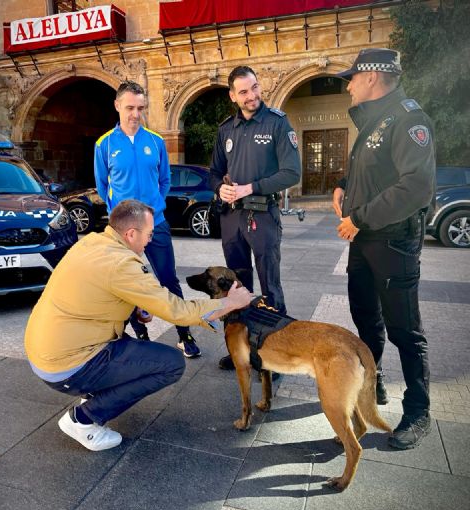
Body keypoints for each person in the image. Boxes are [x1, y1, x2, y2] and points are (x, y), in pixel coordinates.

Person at [24, 200, 252, 451]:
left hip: (45, 352)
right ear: (131, 233)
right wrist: (230, 303)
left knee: (134, 353)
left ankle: (93, 392)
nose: (150, 241)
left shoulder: (92, 242)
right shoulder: (123, 264)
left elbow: (98, 291)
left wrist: (135, 307)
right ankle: (83, 420)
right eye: (149, 234)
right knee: (170, 364)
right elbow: (176, 310)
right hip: (67, 365)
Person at [332, 48, 435, 450]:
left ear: (372, 77)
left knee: (405, 331)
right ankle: (371, 388)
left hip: (393, 243)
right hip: (364, 243)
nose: (350, 85)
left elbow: (415, 187)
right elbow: (372, 171)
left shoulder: (409, 120)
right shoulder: (376, 120)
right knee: (367, 324)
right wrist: (343, 183)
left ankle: (418, 411)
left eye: (352, 78)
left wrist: (359, 218)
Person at [93, 81, 202, 358]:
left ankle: (184, 334)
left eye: (140, 108)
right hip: (122, 231)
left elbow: (164, 180)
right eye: (129, 107)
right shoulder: (104, 145)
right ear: (117, 106)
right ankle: (141, 336)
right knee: (126, 283)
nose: (135, 114)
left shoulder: (155, 141)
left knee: (168, 280)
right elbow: (103, 186)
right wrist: (122, 217)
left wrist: (152, 212)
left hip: (156, 225)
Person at [209, 65, 301, 370]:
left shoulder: (277, 122)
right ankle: (241, 350)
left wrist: (252, 187)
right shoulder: (225, 129)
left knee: (270, 286)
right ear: (233, 96)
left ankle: (277, 356)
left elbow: (292, 172)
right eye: (244, 91)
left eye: (255, 88)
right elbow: (212, 174)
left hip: (262, 216)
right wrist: (220, 189)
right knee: (236, 286)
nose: (252, 96)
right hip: (232, 219)